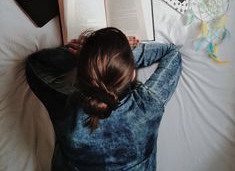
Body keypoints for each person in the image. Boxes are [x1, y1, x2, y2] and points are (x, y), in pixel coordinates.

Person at [25, 27, 182, 171]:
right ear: (132, 73)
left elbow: (34, 65)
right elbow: (172, 53)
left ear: (81, 74)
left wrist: (81, 56)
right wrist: (120, 58)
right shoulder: (148, 106)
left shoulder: (66, 109)